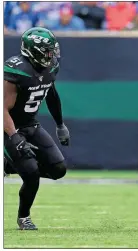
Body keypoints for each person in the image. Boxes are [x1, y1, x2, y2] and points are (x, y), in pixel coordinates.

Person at [4, 27, 70, 230]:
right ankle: (24, 217)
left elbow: (51, 94)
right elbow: (2, 108)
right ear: (33, 51)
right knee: (31, 174)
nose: (52, 56)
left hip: (31, 125)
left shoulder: (50, 68)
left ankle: (8, 166)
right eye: (47, 51)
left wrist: (60, 124)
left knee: (58, 169)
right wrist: (14, 137)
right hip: (8, 127)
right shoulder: (17, 70)